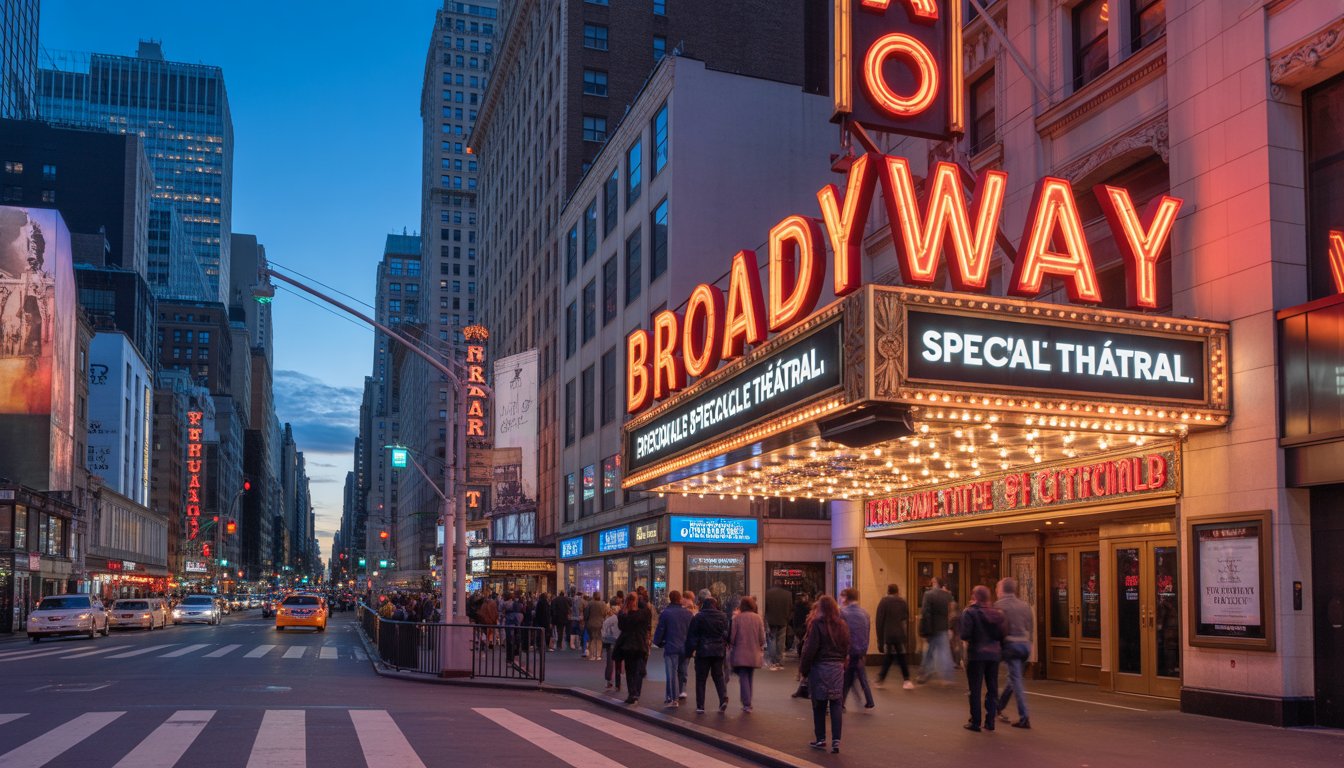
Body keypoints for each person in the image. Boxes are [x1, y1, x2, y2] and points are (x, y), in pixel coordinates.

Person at [800, 595, 849, 754]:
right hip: (837, 668)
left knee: (819, 704)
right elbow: (846, 646)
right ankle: (836, 741)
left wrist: (804, 669)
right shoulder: (842, 625)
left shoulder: (817, 625)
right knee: (836, 703)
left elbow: (810, 649)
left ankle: (821, 738)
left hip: (820, 667)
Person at [959, 585, 1005, 732]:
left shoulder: (969, 612)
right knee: (992, 688)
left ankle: (975, 721)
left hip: (976, 655)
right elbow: (1002, 635)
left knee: (975, 689)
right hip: (993, 655)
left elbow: (964, 634)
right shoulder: (997, 613)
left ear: (975, 596)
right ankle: (990, 721)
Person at [995, 577, 1033, 729]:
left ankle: (1024, 717)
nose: (996, 591)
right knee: (1013, 677)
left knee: (1016, 681)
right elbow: (1030, 627)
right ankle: (999, 706)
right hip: (1025, 645)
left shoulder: (999, 606)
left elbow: (996, 629)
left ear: (1002, 590)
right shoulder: (1024, 605)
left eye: (998, 588)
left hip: (1011, 646)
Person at [685, 595, 730, 714]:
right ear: (715, 605)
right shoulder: (723, 616)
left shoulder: (698, 617)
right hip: (718, 651)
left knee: (701, 678)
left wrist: (688, 652)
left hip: (703, 651)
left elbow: (692, 636)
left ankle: (700, 706)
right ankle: (723, 698)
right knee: (718, 676)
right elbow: (726, 634)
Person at [653, 590, 692, 707]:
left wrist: (658, 642)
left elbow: (660, 630)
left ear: (670, 598)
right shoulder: (688, 614)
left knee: (671, 673)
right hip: (685, 647)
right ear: (680, 599)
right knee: (682, 670)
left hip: (671, 646)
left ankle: (672, 698)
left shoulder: (666, 613)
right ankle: (682, 690)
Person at [728, 595, 766, 712]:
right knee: (750, 676)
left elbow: (732, 637)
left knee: (743, 676)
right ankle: (748, 701)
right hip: (754, 652)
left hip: (740, 652)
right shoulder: (758, 618)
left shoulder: (737, 619)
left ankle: (746, 703)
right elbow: (762, 638)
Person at [839, 588, 875, 710]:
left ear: (846, 598)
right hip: (861, 650)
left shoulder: (843, 613)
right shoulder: (865, 613)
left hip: (850, 650)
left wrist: (844, 652)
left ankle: (841, 702)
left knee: (848, 677)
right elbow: (867, 632)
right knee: (859, 675)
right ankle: (869, 700)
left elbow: (843, 633)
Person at [614, 594, 652, 704]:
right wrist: (640, 599)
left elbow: (621, 626)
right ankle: (637, 692)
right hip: (640, 644)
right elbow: (647, 611)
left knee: (629, 670)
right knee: (638, 669)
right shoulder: (643, 614)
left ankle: (632, 693)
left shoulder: (624, 615)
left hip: (628, 644)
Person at [916, 577, 953, 683]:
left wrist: (925, 630)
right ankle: (947, 675)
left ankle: (925, 672)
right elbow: (950, 611)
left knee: (928, 651)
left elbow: (925, 613)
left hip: (932, 628)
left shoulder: (928, 595)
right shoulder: (947, 595)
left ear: (935, 583)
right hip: (943, 627)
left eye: (932, 582)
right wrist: (949, 627)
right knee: (944, 651)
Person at [875, 584, 912, 689]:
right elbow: (905, 618)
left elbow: (879, 622)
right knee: (900, 656)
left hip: (888, 634)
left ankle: (880, 679)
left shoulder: (884, 602)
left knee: (890, 656)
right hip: (899, 634)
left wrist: (880, 640)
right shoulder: (902, 602)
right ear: (897, 591)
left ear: (888, 591)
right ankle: (906, 680)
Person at [764, 584, 792, 671]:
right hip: (783, 620)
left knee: (772, 640)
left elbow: (765, 607)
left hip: (771, 621)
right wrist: (787, 618)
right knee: (781, 641)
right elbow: (790, 608)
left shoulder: (768, 593)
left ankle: (773, 662)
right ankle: (779, 661)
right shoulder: (788, 594)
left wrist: (766, 618)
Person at [601, 599, 622, 692]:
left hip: (610, 642)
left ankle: (608, 680)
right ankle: (617, 683)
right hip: (618, 641)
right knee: (618, 663)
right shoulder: (619, 618)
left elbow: (604, 633)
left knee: (610, 662)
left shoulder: (609, 619)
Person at [585, 592, 607, 661]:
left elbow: (586, 614)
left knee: (592, 639)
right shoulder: (603, 604)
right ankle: (598, 655)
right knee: (599, 639)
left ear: (593, 596)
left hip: (591, 623)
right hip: (600, 623)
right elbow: (605, 614)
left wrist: (586, 620)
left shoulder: (590, 603)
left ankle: (592, 655)